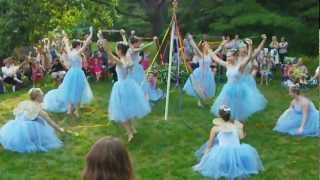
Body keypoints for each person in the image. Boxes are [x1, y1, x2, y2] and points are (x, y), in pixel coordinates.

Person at [193, 105, 263, 179]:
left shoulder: (215, 128)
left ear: (219, 116)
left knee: (214, 150)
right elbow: (241, 137)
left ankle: (225, 165)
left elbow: (209, 145)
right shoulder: (236, 126)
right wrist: (241, 129)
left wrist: (203, 161)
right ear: (230, 115)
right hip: (237, 154)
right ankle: (235, 165)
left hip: (222, 155)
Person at [211, 39, 265, 121]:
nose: (228, 58)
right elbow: (216, 59)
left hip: (238, 88)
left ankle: (238, 123)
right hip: (228, 88)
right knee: (225, 104)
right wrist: (209, 49)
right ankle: (225, 121)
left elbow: (249, 57)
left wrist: (250, 46)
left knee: (238, 107)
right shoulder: (227, 65)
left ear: (235, 56)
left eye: (229, 56)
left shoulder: (240, 66)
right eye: (227, 56)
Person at [43, 28, 94, 117]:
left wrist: (64, 36)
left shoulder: (70, 52)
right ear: (77, 46)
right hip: (78, 73)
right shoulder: (77, 52)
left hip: (71, 73)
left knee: (71, 90)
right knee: (78, 90)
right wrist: (91, 33)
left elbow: (66, 42)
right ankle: (76, 110)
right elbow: (86, 44)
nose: (81, 46)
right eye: (79, 45)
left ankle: (70, 109)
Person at [106, 42, 151, 142]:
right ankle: (133, 129)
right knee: (128, 109)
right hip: (129, 85)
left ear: (120, 50)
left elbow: (110, 55)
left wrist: (105, 46)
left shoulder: (121, 60)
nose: (116, 50)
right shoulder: (127, 59)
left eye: (117, 49)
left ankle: (130, 133)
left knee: (122, 111)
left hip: (122, 86)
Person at [0, 88, 64, 153]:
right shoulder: (38, 109)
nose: (43, 97)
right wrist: (60, 129)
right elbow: (50, 122)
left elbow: (18, 115)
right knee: (40, 124)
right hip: (27, 129)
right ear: (37, 97)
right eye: (42, 95)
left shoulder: (24, 103)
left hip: (17, 126)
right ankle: (31, 140)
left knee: (38, 121)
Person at [183, 34, 216, 107]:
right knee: (200, 86)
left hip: (208, 73)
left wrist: (222, 45)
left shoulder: (210, 55)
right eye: (206, 46)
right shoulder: (201, 55)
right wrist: (191, 40)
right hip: (200, 72)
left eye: (208, 46)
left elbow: (216, 52)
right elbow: (195, 47)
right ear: (204, 48)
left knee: (207, 87)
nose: (208, 47)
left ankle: (205, 99)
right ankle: (199, 101)